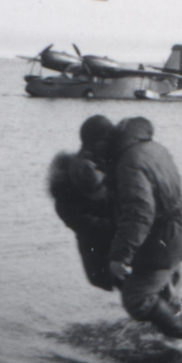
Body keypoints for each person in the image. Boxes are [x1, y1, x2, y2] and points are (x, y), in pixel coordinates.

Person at [104, 116, 182, 339]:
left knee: (136, 298)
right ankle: (177, 325)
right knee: (163, 287)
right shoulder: (154, 148)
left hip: (168, 235)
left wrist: (120, 256)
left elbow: (140, 211)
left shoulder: (129, 162)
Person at [47, 115, 117, 290]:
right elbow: (90, 225)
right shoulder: (76, 179)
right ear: (96, 142)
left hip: (111, 252)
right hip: (102, 259)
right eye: (108, 139)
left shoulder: (101, 163)